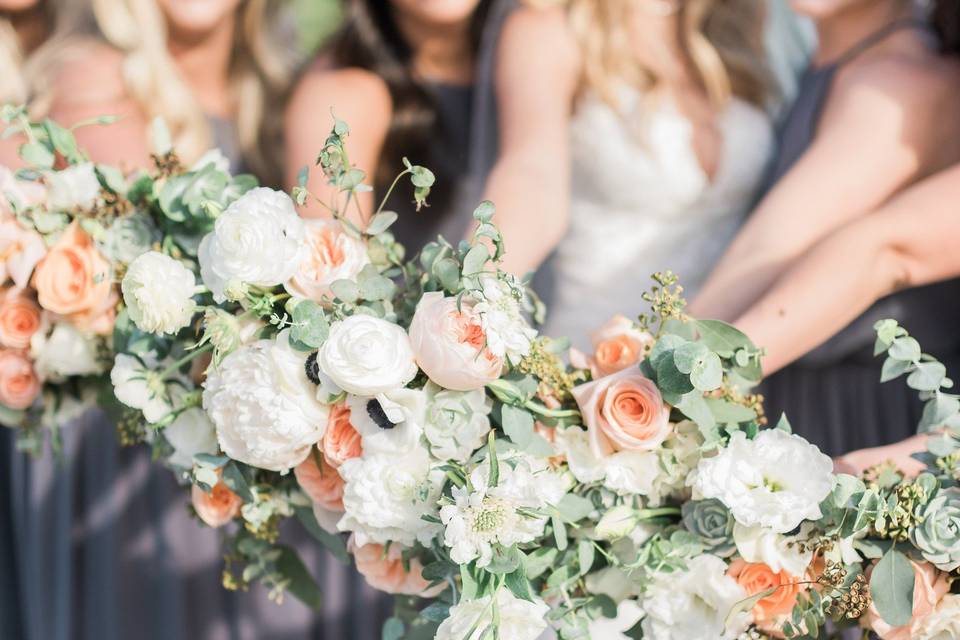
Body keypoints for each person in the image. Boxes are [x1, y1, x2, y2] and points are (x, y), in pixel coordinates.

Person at [1, 2, 306, 640]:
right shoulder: (94, 74)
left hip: (231, 470)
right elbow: (162, 259)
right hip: (120, 463)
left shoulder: (281, 92)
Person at [689, 0, 960, 457]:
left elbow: (866, 249)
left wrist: (672, 375)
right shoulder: (817, 65)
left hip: (862, 420)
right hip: (786, 389)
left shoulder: (897, 83)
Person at [483, 0, 777, 348]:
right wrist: (477, 290)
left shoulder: (737, 25)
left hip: (730, 370)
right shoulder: (550, 28)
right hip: (599, 363)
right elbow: (532, 173)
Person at [285, 0, 516, 255]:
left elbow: (536, 168)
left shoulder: (536, 31)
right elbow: (330, 266)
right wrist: (476, 290)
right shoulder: (339, 92)